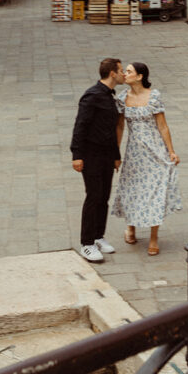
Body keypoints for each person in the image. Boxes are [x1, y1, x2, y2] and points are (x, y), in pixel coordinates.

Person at [111, 61, 181, 256]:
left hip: (155, 151)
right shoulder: (122, 98)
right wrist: (116, 154)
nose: (125, 74)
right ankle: (131, 227)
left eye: (129, 71)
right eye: (124, 70)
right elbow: (119, 127)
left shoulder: (154, 97)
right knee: (132, 189)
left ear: (140, 76)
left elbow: (163, 126)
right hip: (134, 153)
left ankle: (153, 238)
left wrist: (171, 151)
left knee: (155, 192)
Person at [70, 57, 124, 263]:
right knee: (93, 197)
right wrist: (77, 155)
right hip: (91, 155)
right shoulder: (92, 96)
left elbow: (110, 130)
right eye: (121, 70)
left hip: (106, 155)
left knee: (103, 197)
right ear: (112, 73)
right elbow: (80, 126)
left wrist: (116, 156)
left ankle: (99, 236)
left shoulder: (110, 95)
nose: (123, 74)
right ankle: (87, 243)